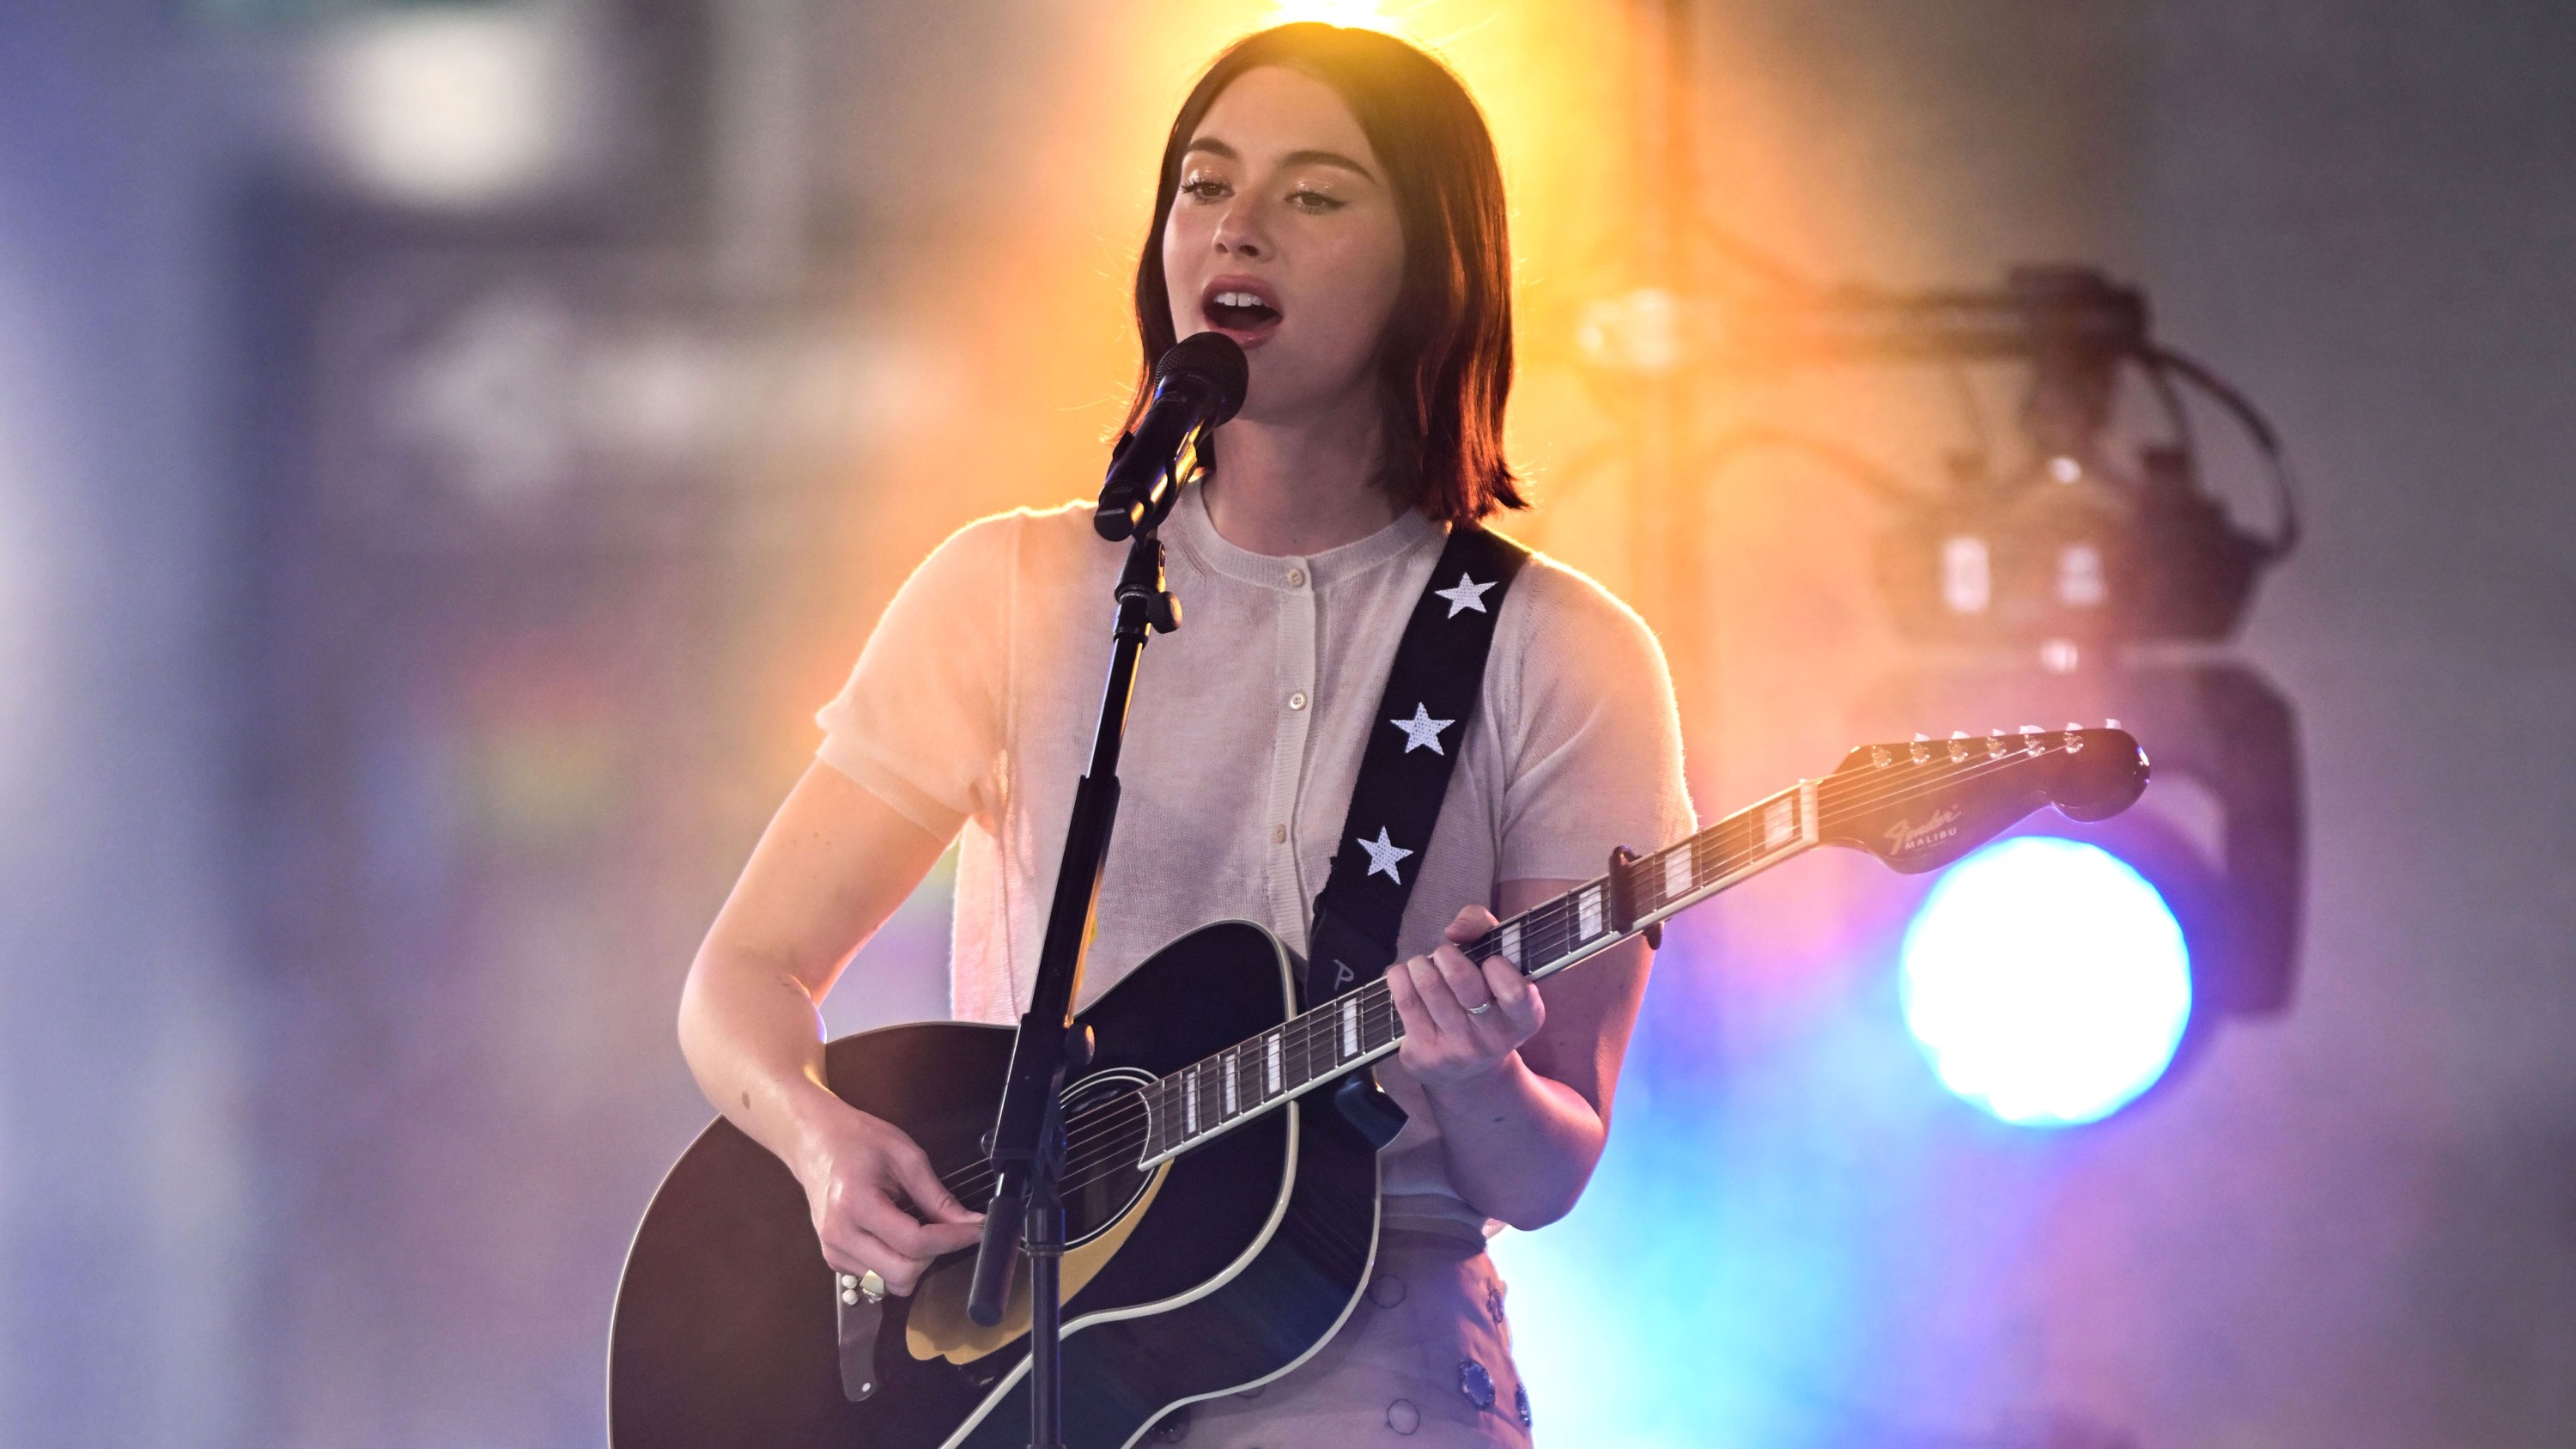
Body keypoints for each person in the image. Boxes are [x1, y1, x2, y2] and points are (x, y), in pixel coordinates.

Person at [676, 22, 1692, 1446]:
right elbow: (743, 975)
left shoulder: (1558, 648)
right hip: (1025, 1363)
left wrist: (1476, 1074)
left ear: (1435, 264)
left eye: (1316, 195)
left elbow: (1544, 1170)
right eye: (1205, 186)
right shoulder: (1015, 592)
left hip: (1372, 1374)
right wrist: (818, 1139)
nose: (1240, 228)